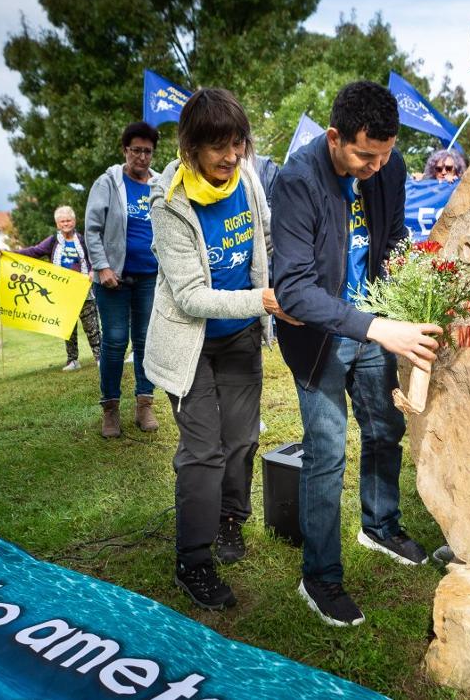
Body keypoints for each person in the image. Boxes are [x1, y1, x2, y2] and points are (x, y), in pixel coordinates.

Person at [272, 81, 442, 627]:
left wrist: (402, 285)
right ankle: (319, 577)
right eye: (364, 155)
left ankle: (381, 524)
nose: (375, 166)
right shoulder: (297, 181)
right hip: (320, 336)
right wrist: (377, 328)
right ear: (334, 138)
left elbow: (390, 241)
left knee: (384, 426)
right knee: (326, 451)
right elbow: (294, 289)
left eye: (386, 154)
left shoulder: (389, 168)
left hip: (373, 325)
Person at [145, 88, 294, 611]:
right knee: (203, 451)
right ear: (190, 150)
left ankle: (230, 520)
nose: (231, 157)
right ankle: (194, 560)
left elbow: (267, 238)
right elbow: (188, 295)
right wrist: (264, 299)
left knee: (241, 440)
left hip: (239, 338)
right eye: (218, 149)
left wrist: (287, 276)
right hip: (191, 345)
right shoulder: (167, 201)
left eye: (238, 145)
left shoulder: (247, 178)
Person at [85, 121, 161, 438]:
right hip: (113, 279)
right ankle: (110, 409)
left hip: (149, 277)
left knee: (146, 342)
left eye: (147, 151)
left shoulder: (160, 184)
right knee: (115, 342)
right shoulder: (108, 183)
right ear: (125, 151)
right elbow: (91, 230)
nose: (142, 157)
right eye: (136, 150)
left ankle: (144, 404)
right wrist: (102, 267)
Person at [12, 205, 101, 371]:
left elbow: (96, 257)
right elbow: (34, 251)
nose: (66, 224)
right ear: (57, 224)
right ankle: (72, 360)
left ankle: (99, 357)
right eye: (62, 221)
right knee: (67, 328)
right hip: (62, 292)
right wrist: (11, 253)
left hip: (83, 291)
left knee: (92, 326)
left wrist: (92, 271)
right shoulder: (53, 241)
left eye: (68, 220)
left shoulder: (83, 240)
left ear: (74, 221)